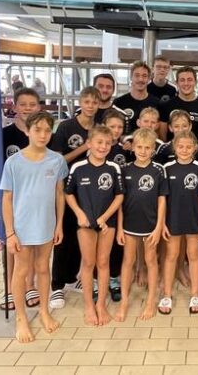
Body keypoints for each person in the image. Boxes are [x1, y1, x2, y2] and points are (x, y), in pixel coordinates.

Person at [1, 111, 68, 343]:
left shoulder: (57, 160)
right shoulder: (14, 162)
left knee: (42, 268)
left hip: (46, 225)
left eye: (47, 130)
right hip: (22, 227)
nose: (42, 135)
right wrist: (10, 232)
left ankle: (43, 311)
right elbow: (7, 199)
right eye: (37, 130)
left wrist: (59, 224)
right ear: (27, 131)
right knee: (21, 270)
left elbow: (60, 194)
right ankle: (21, 317)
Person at [64, 125, 124, 326]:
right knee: (89, 264)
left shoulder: (113, 168)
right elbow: (68, 193)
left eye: (108, 143)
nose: (103, 146)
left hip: (108, 223)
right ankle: (89, 305)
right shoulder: (78, 168)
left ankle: (101, 305)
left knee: (103, 262)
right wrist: (79, 214)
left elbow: (119, 196)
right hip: (86, 223)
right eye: (99, 142)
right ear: (89, 143)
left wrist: (105, 217)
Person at [49, 86, 100, 309]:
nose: (90, 106)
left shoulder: (99, 127)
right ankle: (57, 286)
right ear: (81, 102)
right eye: (86, 101)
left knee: (85, 235)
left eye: (94, 102)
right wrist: (85, 148)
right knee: (65, 237)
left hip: (90, 191)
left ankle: (77, 278)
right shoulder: (66, 127)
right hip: (67, 188)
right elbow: (59, 160)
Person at [115, 128, 168, 321]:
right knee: (128, 261)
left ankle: (151, 301)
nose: (143, 151)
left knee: (151, 260)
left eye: (147, 148)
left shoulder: (158, 170)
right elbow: (120, 201)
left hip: (151, 224)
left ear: (153, 149)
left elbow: (162, 200)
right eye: (139, 147)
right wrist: (120, 227)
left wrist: (159, 226)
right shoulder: (125, 170)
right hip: (129, 224)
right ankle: (124, 302)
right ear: (133, 147)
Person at [1, 87, 42, 311]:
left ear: (38, 107)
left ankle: (30, 284)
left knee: (33, 243)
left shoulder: (41, 135)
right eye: (23, 104)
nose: (27, 108)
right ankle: (9, 289)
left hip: (34, 198)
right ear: (15, 106)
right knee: (12, 244)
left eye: (32, 104)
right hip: (13, 197)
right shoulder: (4, 134)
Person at [160, 131, 198, 315]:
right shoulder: (167, 169)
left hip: (194, 219)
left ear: (195, 148)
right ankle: (167, 294)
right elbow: (163, 199)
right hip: (173, 220)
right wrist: (163, 222)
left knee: (193, 255)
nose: (185, 150)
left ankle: (196, 293)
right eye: (181, 146)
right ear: (174, 147)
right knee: (171, 255)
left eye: (189, 147)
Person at [103, 109, 131, 302]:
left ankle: (114, 279)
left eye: (119, 127)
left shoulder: (125, 149)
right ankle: (97, 281)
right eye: (112, 126)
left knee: (116, 245)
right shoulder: (99, 148)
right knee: (100, 245)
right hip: (100, 202)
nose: (116, 130)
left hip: (120, 202)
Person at [158, 66, 198, 143]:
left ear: (195, 82)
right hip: (171, 153)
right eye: (182, 80)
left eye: (189, 80)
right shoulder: (166, 106)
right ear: (176, 83)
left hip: (196, 153)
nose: (186, 83)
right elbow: (162, 137)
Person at [114, 61, 161, 135]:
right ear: (131, 77)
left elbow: (159, 133)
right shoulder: (119, 103)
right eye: (137, 75)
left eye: (144, 76)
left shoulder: (158, 103)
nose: (140, 79)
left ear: (149, 78)